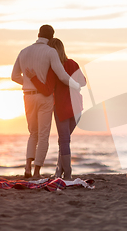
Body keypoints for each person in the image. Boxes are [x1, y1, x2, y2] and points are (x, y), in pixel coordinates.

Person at [11, 25, 81, 179]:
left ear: (38, 34)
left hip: (27, 96)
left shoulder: (23, 51)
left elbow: (14, 76)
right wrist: (76, 85)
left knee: (33, 133)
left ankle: (27, 167)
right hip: (44, 97)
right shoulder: (51, 52)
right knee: (43, 135)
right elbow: (62, 76)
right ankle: (37, 172)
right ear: (51, 37)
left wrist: (29, 83)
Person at [25, 38, 86, 180]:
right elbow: (83, 82)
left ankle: (68, 173)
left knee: (64, 140)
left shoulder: (53, 68)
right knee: (65, 140)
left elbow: (46, 91)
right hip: (77, 108)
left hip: (62, 108)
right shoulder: (73, 63)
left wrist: (33, 78)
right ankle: (59, 171)